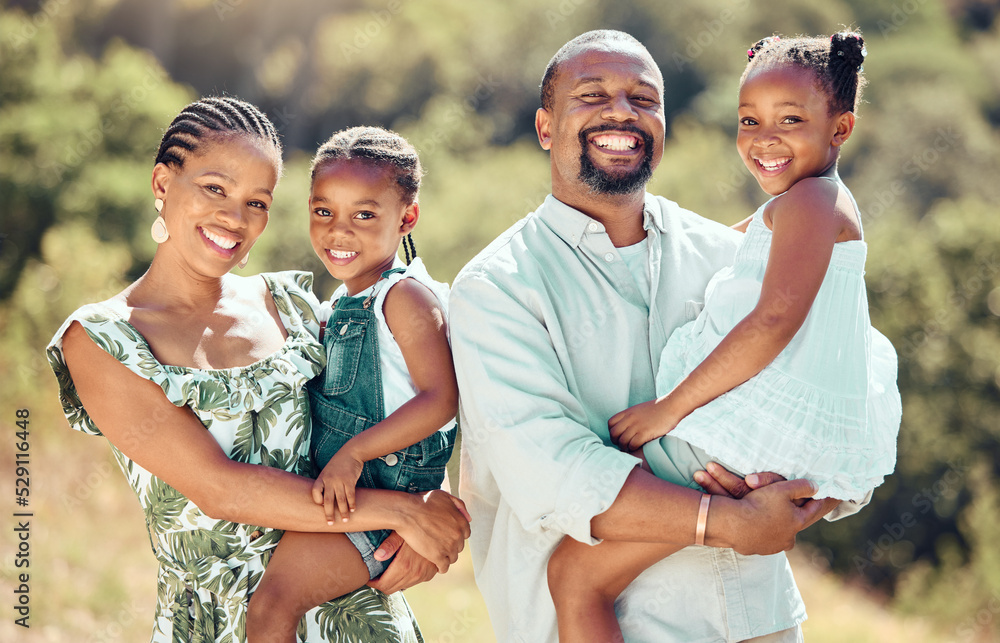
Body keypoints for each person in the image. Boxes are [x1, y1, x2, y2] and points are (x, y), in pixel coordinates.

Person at [449, 30, 865, 643]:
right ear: (545, 128)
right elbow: (554, 472)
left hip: (754, 621)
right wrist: (726, 519)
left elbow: (827, 385)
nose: (621, 111)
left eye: (643, 99)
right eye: (591, 96)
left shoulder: (731, 255)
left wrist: (782, 491)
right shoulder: (497, 287)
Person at [45, 97, 470, 643]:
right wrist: (405, 512)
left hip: (355, 612)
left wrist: (428, 498)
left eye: (258, 202)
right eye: (214, 189)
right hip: (222, 622)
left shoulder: (289, 305)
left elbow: (399, 388)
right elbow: (220, 490)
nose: (235, 218)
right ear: (161, 183)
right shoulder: (104, 340)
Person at [246, 126, 458, 642]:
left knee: (272, 607)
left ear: (406, 217)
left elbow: (441, 399)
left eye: (364, 215)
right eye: (323, 211)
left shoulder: (404, 298)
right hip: (352, 494)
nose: (339, 231)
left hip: (382, 492)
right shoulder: (341, 303)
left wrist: (355, 454)